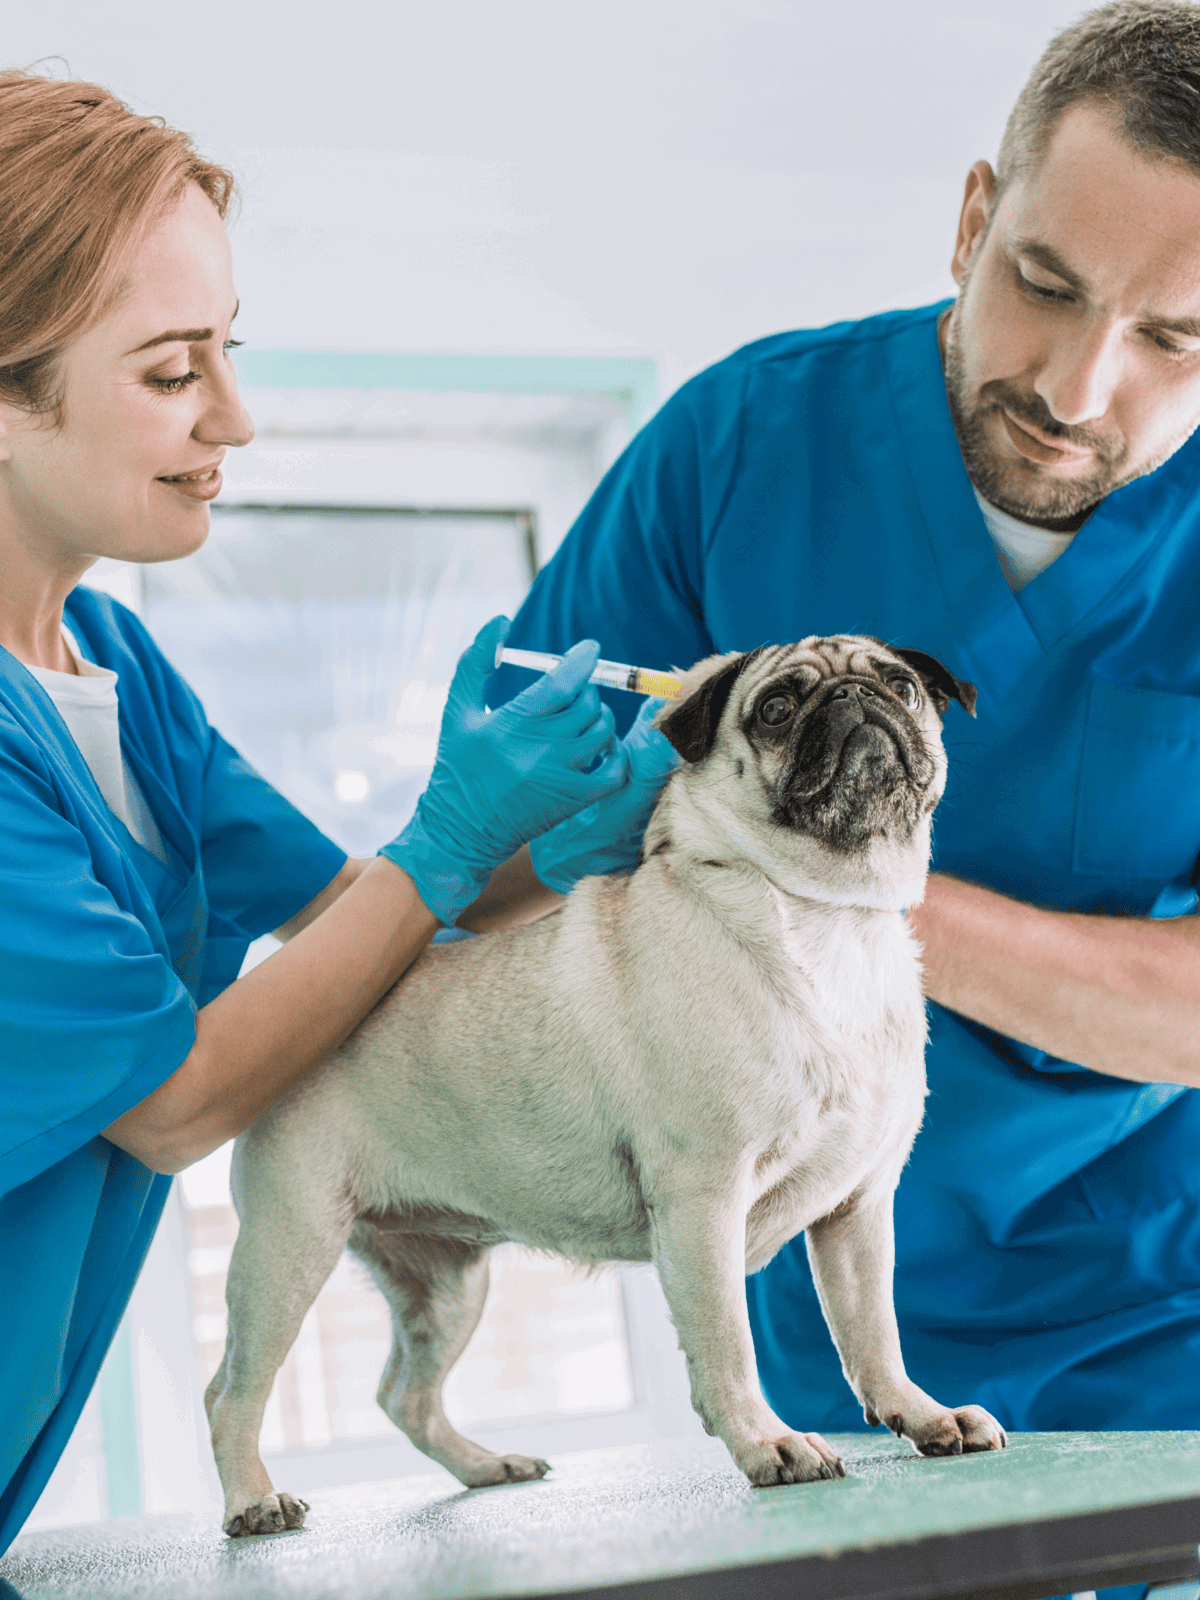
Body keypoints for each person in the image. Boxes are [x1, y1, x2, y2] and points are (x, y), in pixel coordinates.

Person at [496, 9, 1200, 1594]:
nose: (1081, 388)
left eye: (1179, 339)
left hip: (1169, 1320)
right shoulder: (734, 451)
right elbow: (511, 844)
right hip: (834, 1344)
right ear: (972, 217)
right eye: (1045, 284)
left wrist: (833, 892)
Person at [0, 73, 674, 1554]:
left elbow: (348, 921)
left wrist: (551, 845)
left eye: (228, 353)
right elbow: (175, 1103)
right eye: (173, 373)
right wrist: (445, 843)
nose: (238, 415)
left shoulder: (112, 665)